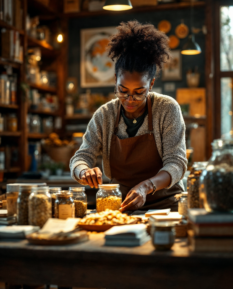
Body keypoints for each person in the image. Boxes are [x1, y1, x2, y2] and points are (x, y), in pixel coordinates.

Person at [70, 20, 187, 212]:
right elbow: (81, 157)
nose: (130, 99)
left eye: (139, 92)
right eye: (122, 90)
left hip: (165, 207)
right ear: (115, 80)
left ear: (151, 85)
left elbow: (177, 163)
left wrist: (145, 186)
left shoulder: (167, 109)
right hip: (122, 206)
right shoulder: (104, 115)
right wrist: (84, 170)